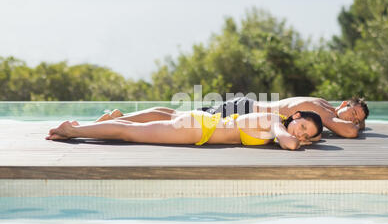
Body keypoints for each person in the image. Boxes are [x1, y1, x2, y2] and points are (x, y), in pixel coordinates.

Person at [96, 96, 369, 138]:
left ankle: (124, 115)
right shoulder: (324, 111)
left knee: (177, 114)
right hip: (245, 111)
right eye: (354, 113)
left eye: (357, 118)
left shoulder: (320, 104)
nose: (354, 120)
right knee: (178, 117)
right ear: (344, 104)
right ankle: (122, 119)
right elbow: (350, 132)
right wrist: (359, 126)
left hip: (245, 106)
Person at [46, 110, 324, 151]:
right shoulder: (274, 120)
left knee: (136, 127)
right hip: (198, 129)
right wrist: (299, 140)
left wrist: (311, 138)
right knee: (131, 132)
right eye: (302, 126)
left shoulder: (277, 125)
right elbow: (289, 144)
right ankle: (72, 131)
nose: (302, 134)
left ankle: (79, 128)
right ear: (294, 117)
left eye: (307, 133)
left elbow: (292, 139)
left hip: (202, 124)